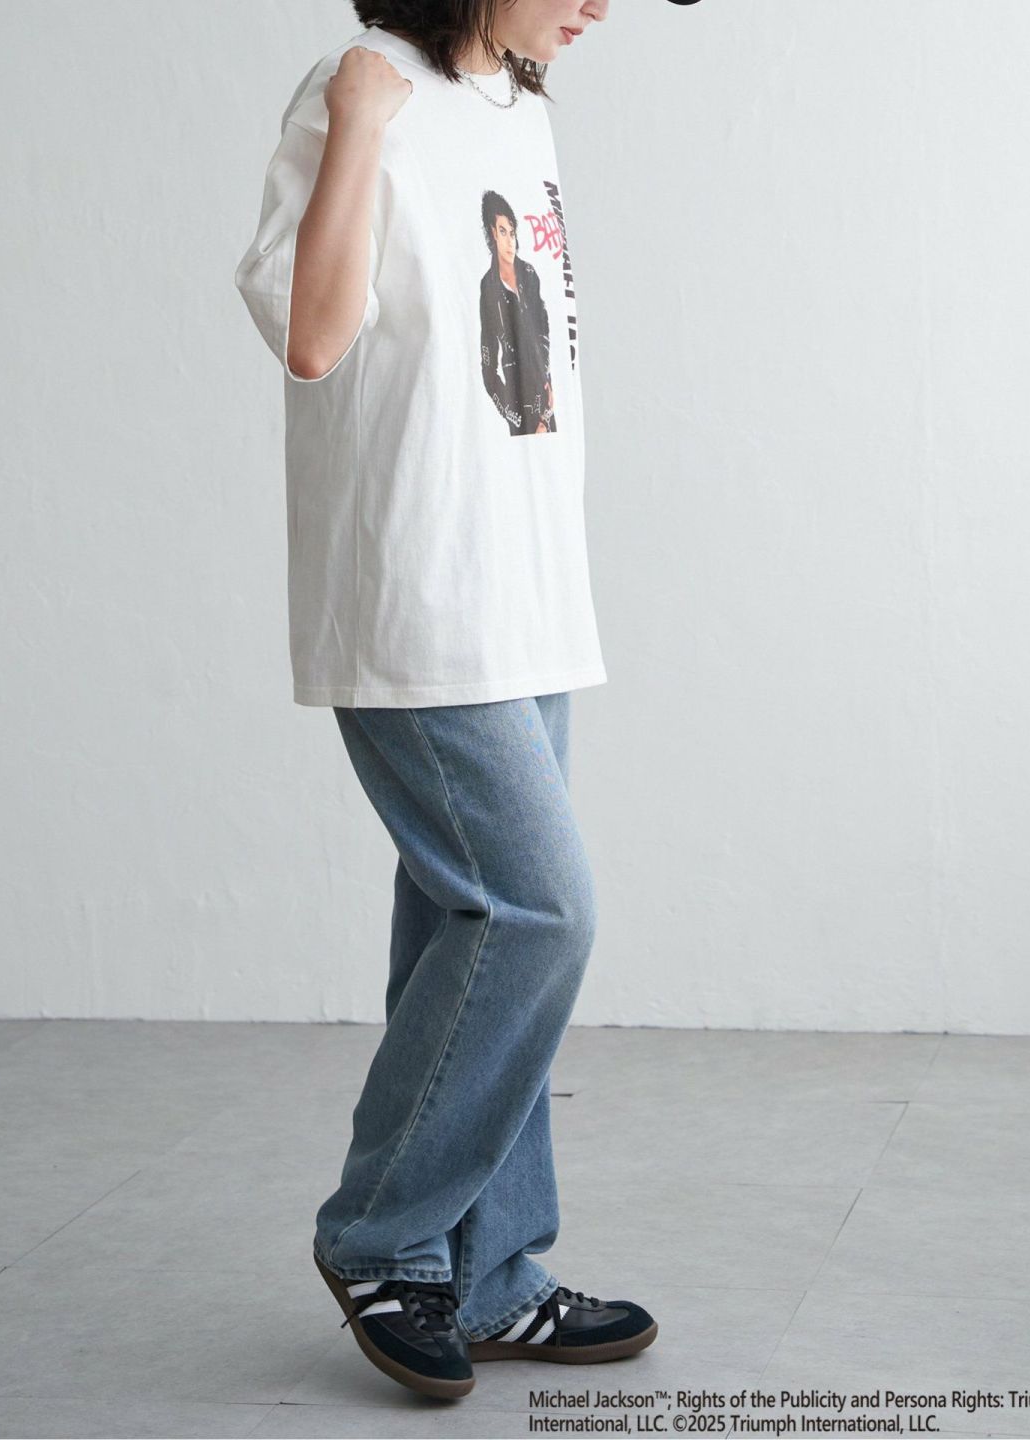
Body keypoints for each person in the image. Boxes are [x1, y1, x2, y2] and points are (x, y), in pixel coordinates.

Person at [234, 0, 657, 1402]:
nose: (597, 5)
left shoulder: (520, 109)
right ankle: (378, 1234)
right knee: (540, 913)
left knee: (462, 932)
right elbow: (312, 337)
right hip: (416, 593)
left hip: (526, 598)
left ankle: (489, 1274)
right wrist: (360, 125)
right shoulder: (358, 88)